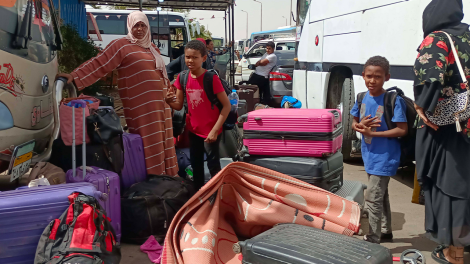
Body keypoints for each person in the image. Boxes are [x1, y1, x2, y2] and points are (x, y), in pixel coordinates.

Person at [56, 11, 179, 177]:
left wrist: (169, 94)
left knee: (163, 140)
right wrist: (75, 76)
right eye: (136, 25)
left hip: (161, 106)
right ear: (129, 26)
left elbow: (160, 75)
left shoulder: (152, 47)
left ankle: (167, 177)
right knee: (146, 143)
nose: (140, 29)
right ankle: (152, 178)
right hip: (141, 108)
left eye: (143, 25)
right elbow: (101, 62)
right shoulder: (121, 45)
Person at [414, 0, 470, 262]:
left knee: (451, 188)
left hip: (450, 129)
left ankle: (454, 253)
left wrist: (421, 106)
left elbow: (430, 76)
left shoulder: (437, 39)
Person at [350, 56, 408, 244]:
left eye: (378, 77)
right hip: (369, 155)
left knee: (373, 198)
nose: (372, 81)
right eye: (369, 76)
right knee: (381, 196)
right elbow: (354, 123)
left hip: (386, 156)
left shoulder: (393, 100)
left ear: (387, 78)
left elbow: (402, 129)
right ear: (363, 76)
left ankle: (373, 239)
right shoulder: (361, 97)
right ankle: (386, 231)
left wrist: (373, 134)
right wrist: (359, 126)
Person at [165, 40, 231, 190]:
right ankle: (199, 195)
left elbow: (226, 106)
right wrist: (168, 101)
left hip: (211, 131)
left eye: (195, 57)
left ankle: (217, 195)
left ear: (203, 58)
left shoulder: (211, 78)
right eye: (187, 57)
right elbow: (179, 105)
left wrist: (215, 130)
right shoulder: (182, 78)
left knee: (213, 166)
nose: (190, 61)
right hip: (193, 130)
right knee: (196, 165)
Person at [247, 41, 277, 105]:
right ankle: (256, 103)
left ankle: (254, 103)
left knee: (251, 89)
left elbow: (262, 62)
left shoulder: (273, 56)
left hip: (262, 76)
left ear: (273, 49)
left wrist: (260, 63)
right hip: (257, 74)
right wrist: (259, 63)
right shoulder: (266, 54)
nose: (268, 50)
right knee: (256, 91)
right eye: (267, 48)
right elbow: (259, 62)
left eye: (269, 48)